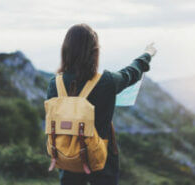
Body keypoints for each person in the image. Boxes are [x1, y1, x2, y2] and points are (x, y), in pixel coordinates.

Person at [46, 23, 157, 185]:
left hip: (67, 155)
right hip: (101, 159)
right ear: (94, 52)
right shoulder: (106, 82)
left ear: (66, 50)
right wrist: (147, 54)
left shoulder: (54, 84)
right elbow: (132, 72)